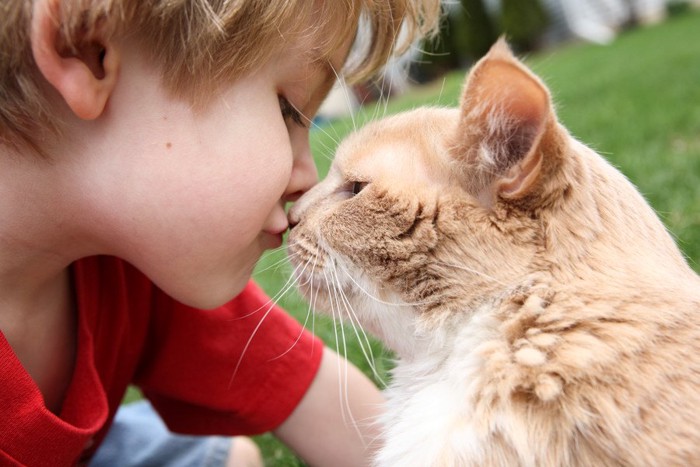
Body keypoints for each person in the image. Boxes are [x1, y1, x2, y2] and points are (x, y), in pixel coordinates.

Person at [0, 0, 440, 466]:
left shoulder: (137, 264)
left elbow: (328, 403)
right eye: (288, 110)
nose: (307, 183)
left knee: (228, 458)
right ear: (84, 45)